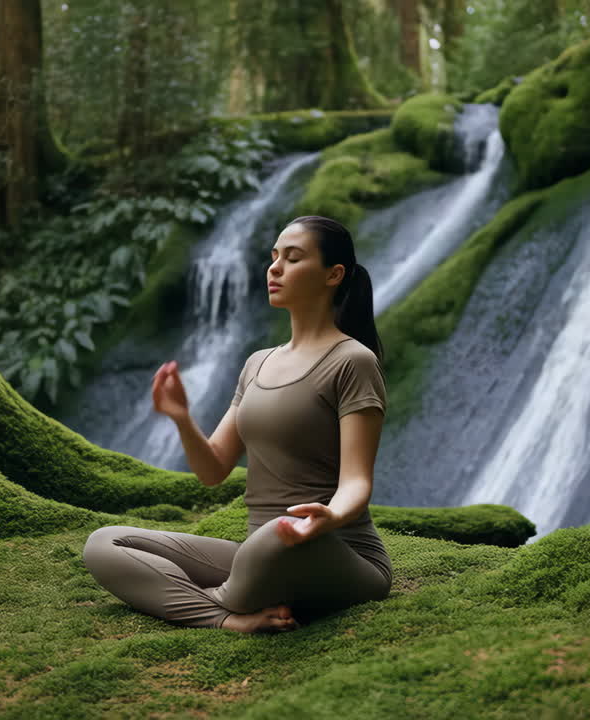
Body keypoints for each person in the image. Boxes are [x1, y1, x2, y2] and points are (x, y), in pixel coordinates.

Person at [83, 215, 392, 633]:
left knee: (275, 534)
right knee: (105, 543)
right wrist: (181, 418)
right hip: (260, 549)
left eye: (293, 258)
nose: (275, 268)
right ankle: (228, 617)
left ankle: (203, 598)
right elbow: (213, 470)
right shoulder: (257, 364)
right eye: (274, 257)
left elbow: (357, 481)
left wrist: (330, 517)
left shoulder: (353, 361)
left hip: (338, 552)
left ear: (333, 275)